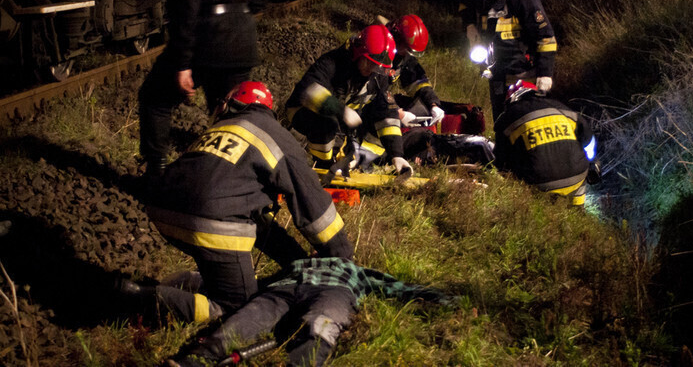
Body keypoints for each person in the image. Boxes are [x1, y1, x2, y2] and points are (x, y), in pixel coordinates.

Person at [125, 82, 353, 323]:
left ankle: (182, 284)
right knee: (237, 305)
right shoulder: (276, 135)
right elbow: (313, 204)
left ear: (235, 102)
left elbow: (257, 220)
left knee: (238, 234)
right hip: (209, 220)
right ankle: (139, 298)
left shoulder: (222, 129)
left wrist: (295, 261)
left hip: (162, 208)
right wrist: (341, 256)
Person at [138, 0, 268, 176]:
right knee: (229, 119)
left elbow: (184, 10)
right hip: (242, 44)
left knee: (154, 99)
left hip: (204, 44)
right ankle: (236, 179)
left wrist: (183, 64)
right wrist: (235, 17)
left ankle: (157, 172)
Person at [166, 257, 455, 367]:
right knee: (239, 324)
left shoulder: (355, 269)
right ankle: (193, 361)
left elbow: (396, 287)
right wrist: (193, 278)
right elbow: (248, 284)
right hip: (282, 289)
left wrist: (443, 300)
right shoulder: (296, 263)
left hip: (333, 292)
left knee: (319, 329)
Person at [285, 24, 413, 175]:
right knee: (327, 123)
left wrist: (397, 155)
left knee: (369, 125)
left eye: (378, 66)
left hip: (340, 120)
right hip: (303, 111)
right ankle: (323, 165)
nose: (372, 68)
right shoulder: (332, 63)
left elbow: (386, 113)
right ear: (358, 53)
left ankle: (354, 160)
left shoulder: (378, 75)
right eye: (369, 62)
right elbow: (309, 92)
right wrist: (340, 110)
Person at [461, 0, 557, 121]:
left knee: (526, 120)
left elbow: (546, 37)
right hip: (496, 73)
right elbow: (465, 5)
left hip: (524, 74)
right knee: (501, 122)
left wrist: (545, 73)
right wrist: (469, 26)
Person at [493, 80, 599, 207]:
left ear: (511, 99)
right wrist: (592, 161)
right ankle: (578, 212)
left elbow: (500, 161)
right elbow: (589, 141)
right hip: (577, 176)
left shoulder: (507, 118)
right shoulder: (561, 108)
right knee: (577, 199)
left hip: (540, 184)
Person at [387, 14, 446, 128]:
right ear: (398, 39)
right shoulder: (378, 50)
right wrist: (397, 112)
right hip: (363, 107)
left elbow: (418, 81)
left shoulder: (403, 55)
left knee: (424, 108)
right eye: (408, 49)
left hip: (381, 102)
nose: (408, 54)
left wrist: (433, 105)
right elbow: (375, 90)